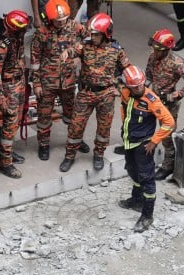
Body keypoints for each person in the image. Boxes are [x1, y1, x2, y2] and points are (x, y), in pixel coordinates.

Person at [60, 13, 129, 173]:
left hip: (105, 95)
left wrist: (120, 87)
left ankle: (99, 155)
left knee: (104, 129)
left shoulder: (117, 51)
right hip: (85, 93)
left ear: (106, 34)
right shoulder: (85, 45)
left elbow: (127, 70)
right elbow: (73, 50)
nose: (92, 36)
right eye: (91, 33)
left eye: (96, 34)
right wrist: (66, 53)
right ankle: (69, 156)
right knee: (75, 127)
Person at [116, 66, 174, 233]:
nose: (139, 88)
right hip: (129, 142)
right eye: (135, 87)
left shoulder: (151, 100)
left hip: (143, 145)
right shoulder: (125, 93)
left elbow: (169, 123)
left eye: (140, 85)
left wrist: (154, 141)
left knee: (147, 179)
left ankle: (147, 215)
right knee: (133, 171)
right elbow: (124, 109)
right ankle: (136, 200)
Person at [30, 0, 85, 162]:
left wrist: (76, 52)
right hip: (47, 82)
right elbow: (34, 60)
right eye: (58, 20)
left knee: (72, 114)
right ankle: (44, 145)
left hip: (68, 81)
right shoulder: (42, 33)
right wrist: (37, 84)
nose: (61, 23)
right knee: (44, 116)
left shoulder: (74, 27)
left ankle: (76, 141)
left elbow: (90, 40)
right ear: (49, 19)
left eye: (64, 19)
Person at [144, 29, 184, 180]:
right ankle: (144, 155)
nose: (154, 51)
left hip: (168, 105)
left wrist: (174, 95)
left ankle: (168, 166)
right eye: (153, 47)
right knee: (145, 127)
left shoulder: (176, 63)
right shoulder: (153, 57)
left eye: (157, 48)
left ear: (166, 49)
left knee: (167, 137)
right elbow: (148, 76)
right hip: (152, 100)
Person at [0, 10, 32, 179]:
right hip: (8, 88)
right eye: (22, 30)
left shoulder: (17, 36)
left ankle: (6, 152)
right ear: (13, 29)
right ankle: (5, 163)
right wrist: (1, 97)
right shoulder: (1, 46)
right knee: (9, 124)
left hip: (19, 83)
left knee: (14, 123)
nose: (25, 32)